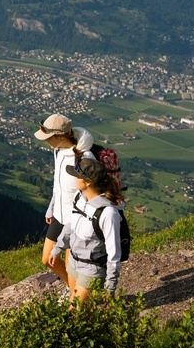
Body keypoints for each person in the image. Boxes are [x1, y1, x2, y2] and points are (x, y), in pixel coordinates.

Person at [48, 156, 125, 301]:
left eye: (78, 176)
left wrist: (110, 287)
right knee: (82, 309)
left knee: (72, 313)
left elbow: (114, 254)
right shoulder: (80, 197)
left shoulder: (108, 213)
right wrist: (57, 248)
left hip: (92, 270)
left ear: (88, 182)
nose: (75, 179)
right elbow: (71, 225)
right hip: (73, 263)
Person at [33, 113, 95, 290]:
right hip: (60, 216)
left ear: (60, 136)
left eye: (48, 138)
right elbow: (59, 186)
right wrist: (51, 208)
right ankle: (72, 290)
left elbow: (91, 194)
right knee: (47, 259)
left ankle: (76, 301)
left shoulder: (84, 158)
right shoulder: (58, 151)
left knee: (71, 266)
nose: (46, 142)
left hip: (76, 221)